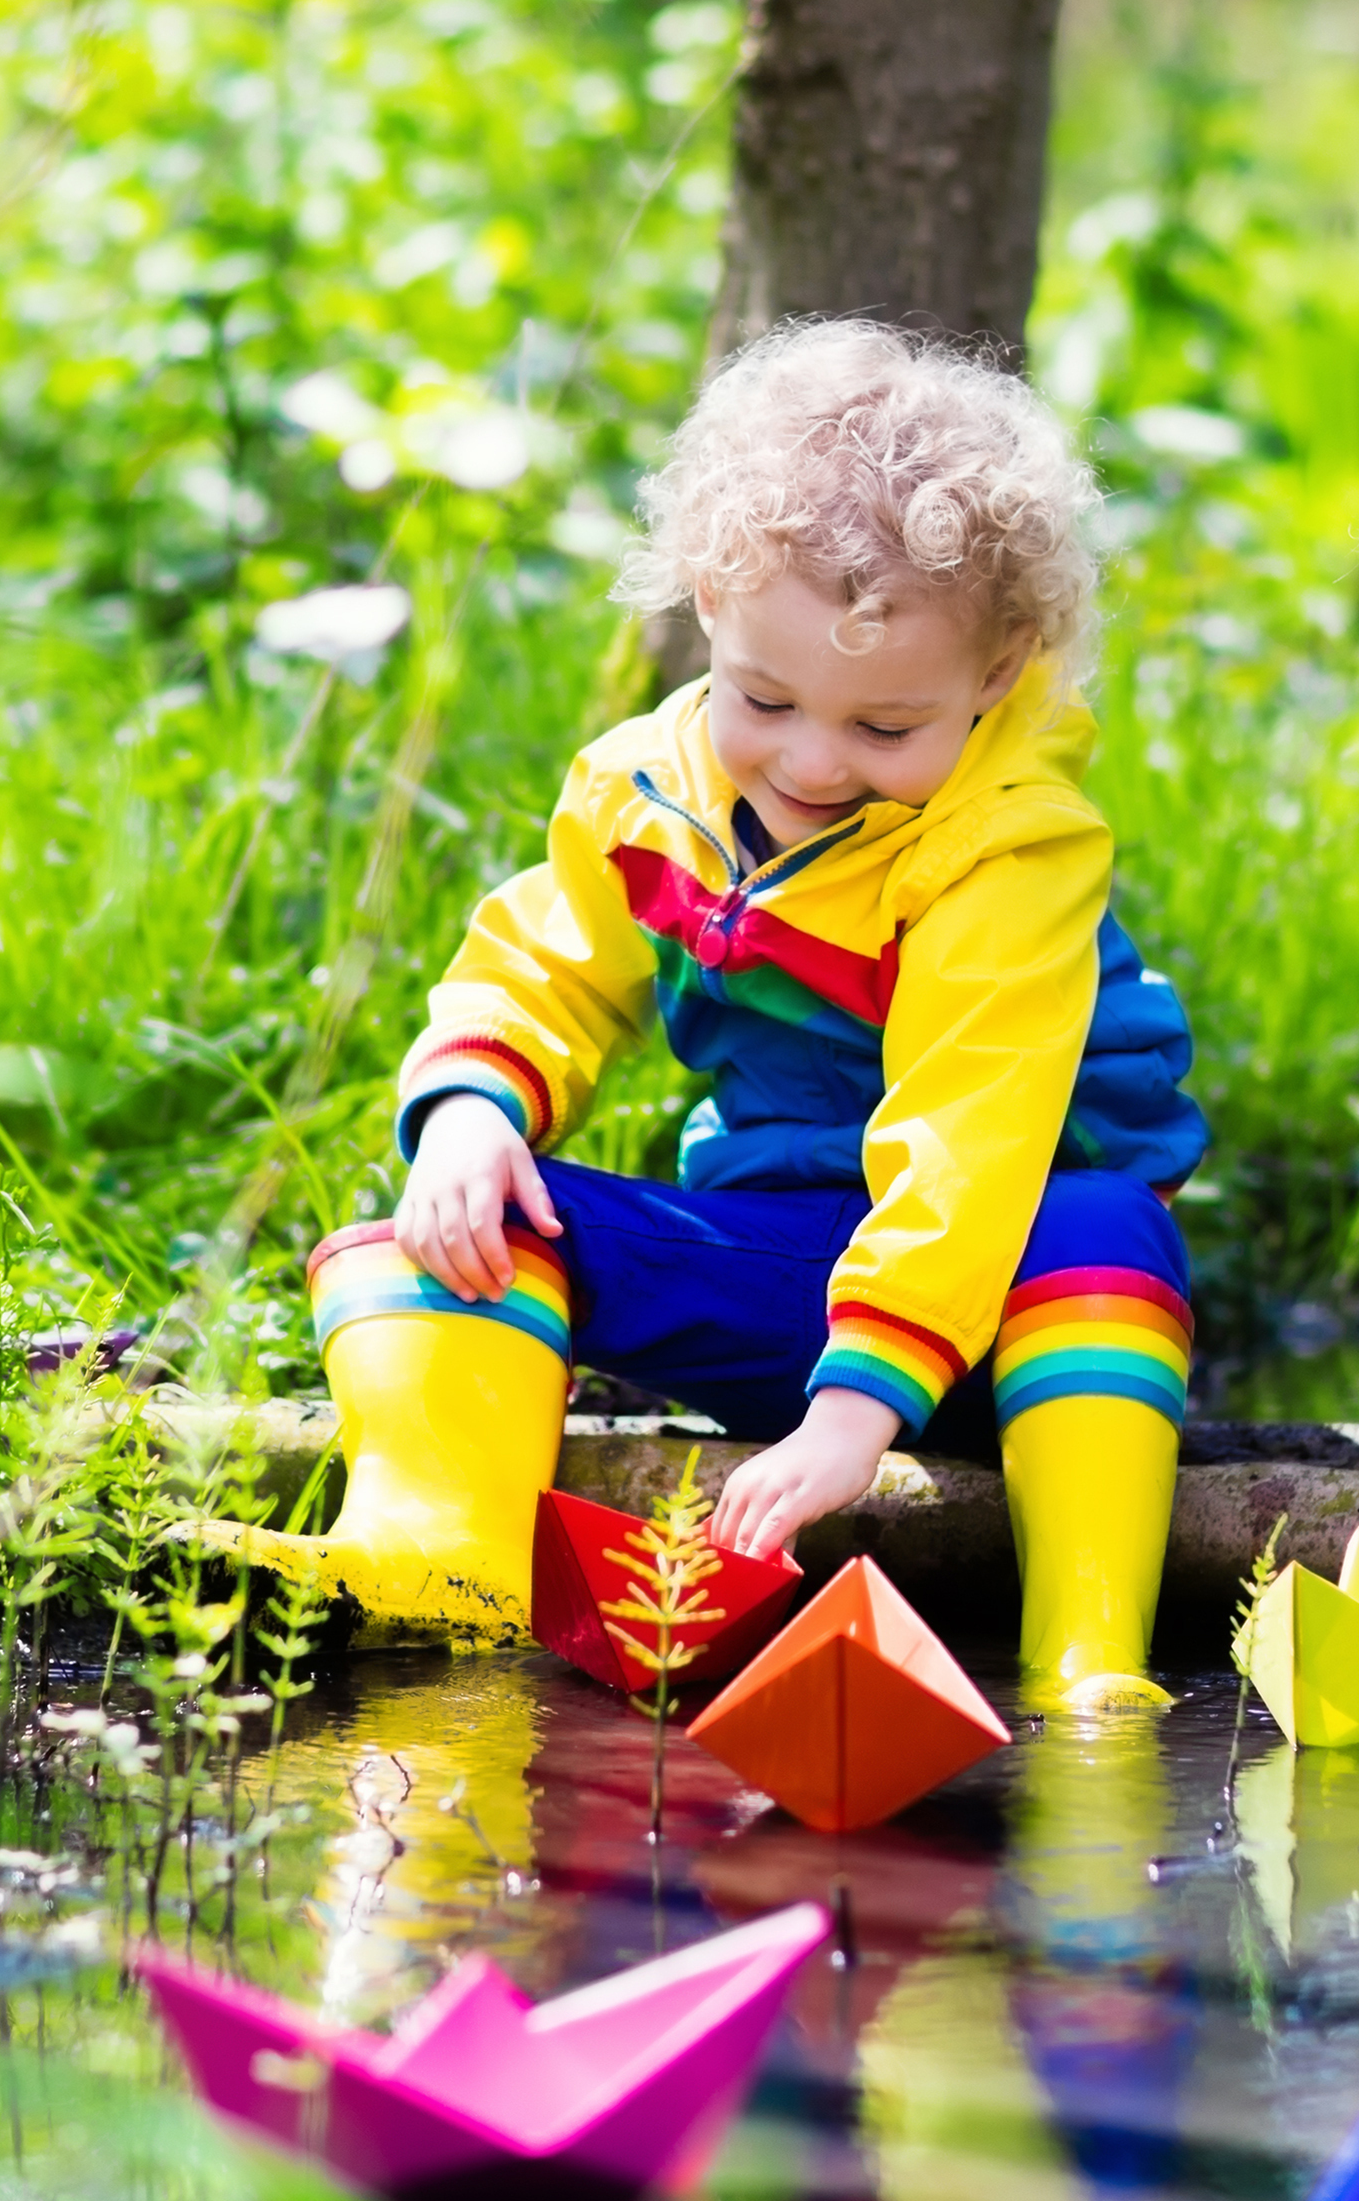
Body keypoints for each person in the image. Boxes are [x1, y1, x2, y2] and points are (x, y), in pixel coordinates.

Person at [231, 319, 1207, 1709]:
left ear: (997, 677)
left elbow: (964, 1139)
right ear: (707, 604)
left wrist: (849, 1418)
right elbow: (543, 964)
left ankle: (1084, 1657)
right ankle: (431, 1559)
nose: (812, 760)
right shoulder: (644, 788)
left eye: (884, 729)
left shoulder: (1009, 846)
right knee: (457, 1220)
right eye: (767, 697)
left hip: (1009, 1308)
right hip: (787, 1277)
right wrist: (466, 1112)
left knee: (1099, 1217)